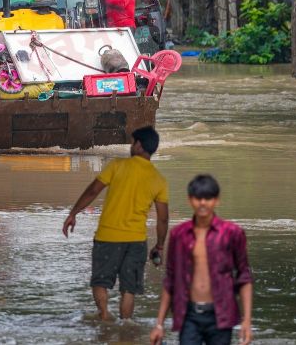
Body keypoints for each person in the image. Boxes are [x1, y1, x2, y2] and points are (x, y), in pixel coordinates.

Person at [63, 126, 169, 321]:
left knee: (100, 282)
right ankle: (125, 327)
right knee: (129, 289)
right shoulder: (158, 179)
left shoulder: (117, 166)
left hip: (108, 237)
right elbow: (163, 219)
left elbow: (93, 191)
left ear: (139, 145)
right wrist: (160, 246)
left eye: (132, 142)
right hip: (136, 241)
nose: (131, 146)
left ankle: (104, 316)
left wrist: (73, 213)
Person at [150, 175, 253, 345]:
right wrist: (159, 324)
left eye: (208, 198)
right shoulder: (179, 234)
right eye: (198, 198)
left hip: (221, 314)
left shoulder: (232, 233)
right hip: (188, 314)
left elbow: (244, 277)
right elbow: (170, 280)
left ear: (216, 200)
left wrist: (247, 321)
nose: (203, 203)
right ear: (190, 200)